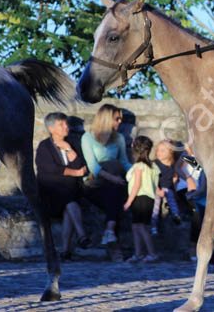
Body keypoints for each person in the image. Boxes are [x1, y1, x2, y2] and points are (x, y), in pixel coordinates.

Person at [35, 112, 90, 260]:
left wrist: (68, 148)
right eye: (61, 124)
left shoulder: (72, 143)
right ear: (52, 128)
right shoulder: (44, 147)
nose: (66, 127)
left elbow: (82, 167)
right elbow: (49, 170)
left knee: (70, 205)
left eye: (66, 124)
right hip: (51, 195)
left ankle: (66, 250)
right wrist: (75, 173)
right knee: (70, 200)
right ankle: (81, 235)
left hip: (69, 194)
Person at [80, 104, 131, 249]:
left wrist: (139, 172)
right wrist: (113, 178)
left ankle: (109, 232)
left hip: (113, 182)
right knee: (116, 197)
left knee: (114, 193)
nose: (120, 121)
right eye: (117, 118)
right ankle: (112, 239)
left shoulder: (119, 138)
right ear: (106, 119)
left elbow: (124, 162)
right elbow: (93, 166)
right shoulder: (88, 137)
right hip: (94, 182)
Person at [123, 135, 160, 263]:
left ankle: (152, 253)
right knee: (136, 226)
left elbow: (137, 184)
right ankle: (138, 253)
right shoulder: (154, 167)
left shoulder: (139, 166)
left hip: (139, 198)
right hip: (149, 199)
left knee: (142, 227)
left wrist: (128, 202)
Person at [150, 139, 182, 235]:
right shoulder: (155, 164)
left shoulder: (173, 165)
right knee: (155, 207)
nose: (159, 153)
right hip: (157, 188)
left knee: (172, 199)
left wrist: (175, 179)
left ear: (170, 152)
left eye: (162, 150)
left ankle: (176, 215)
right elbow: (152, 179)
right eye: (158, 150)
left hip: (168, 188)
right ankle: (153, 226)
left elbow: (174, 177)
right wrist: (157, 190)